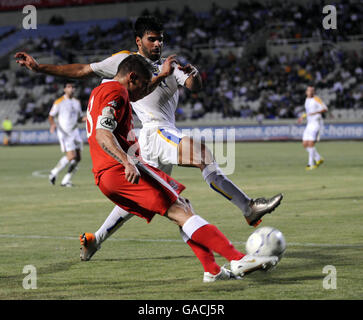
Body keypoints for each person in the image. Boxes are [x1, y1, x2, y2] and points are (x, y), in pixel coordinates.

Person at [15, 16, 282, 261]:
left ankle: (97, 238)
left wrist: (195, 75)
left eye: (161, 39)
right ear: (139, 41)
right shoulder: (124, 62)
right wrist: (40, 68)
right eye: (152, 39)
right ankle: (247, 207)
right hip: (154, 131)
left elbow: (193, 86)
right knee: (202, 157)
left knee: (148, 201)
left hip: (159, 136)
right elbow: (83, 70)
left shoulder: (171, 65)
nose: (158, 43)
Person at [85, 54, 279, 282]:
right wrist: (126, 161)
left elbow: (101, 126)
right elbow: (102, 133)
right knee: (181, 210)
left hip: (108, 174)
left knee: (183, 207)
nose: (144, 92)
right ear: (132, 77)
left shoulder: (101, 89)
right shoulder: (116, 92)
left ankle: (212, 270)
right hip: (119, 168)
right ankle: (237, 258)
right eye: (143, 86)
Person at [48, 82, 86, 186]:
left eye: (73, 87)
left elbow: (79, 118)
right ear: (64, 89)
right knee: (71, 156)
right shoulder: (59, 102)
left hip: (75, 132)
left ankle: (66, 180)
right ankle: (53, 172)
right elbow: (51, 116)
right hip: (65, 132)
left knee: (78, 158)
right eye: (69, 87)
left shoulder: (77, 102)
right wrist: (52, 124)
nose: (72, 89)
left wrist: (87, 118)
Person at [298, 85, 328, 170]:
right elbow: (308, 112)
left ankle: (310, 164)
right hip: (309, 123)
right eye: (309, 90)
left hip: (316, 123)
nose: (311, 92)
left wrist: (314, 113)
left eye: (312, 90)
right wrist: (302, 117)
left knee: (311, 143)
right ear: (306, 92)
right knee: (304, 144)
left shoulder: (316, 99)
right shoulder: (306, 100)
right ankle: (318, 158)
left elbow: (325, 109)